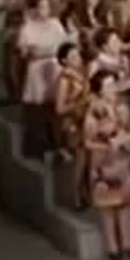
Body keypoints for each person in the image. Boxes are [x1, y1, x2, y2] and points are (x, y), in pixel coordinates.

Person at [84, 70, 130, 260]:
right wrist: (109, 145)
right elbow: (87, 142)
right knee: (108, 208)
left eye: (114, 84)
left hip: (125, 158)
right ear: (99, 90)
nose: (112, 88)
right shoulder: (94, 111)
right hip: (105, 161)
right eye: (108, 85)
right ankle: (113, 248)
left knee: (126, 203)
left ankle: (129, 244)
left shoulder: (123, 106)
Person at [16, 0, 68, 158]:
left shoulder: (55, 24)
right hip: (37, 74)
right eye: (41, 7)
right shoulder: (27, 28)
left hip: (55, 70)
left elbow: (64, 47)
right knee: (38, 115)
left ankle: (58, 147)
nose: (44, 10)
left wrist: (45, 51)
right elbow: (27, 53)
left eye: (47, 6)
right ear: (33, 8)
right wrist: (47, 51)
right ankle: (39, 150)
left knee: (56, 110)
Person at [54, 42, 92, 209]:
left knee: (87, 160)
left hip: (85, 119)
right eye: (73, 56)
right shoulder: (64, 80)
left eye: (78, 55)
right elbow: (59, 108)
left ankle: (85, 193)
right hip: (73, 122)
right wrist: (81, 102)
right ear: (64, 60)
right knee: (80, 161)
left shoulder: (81, 73)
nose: (78, 58)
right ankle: (76, 196)